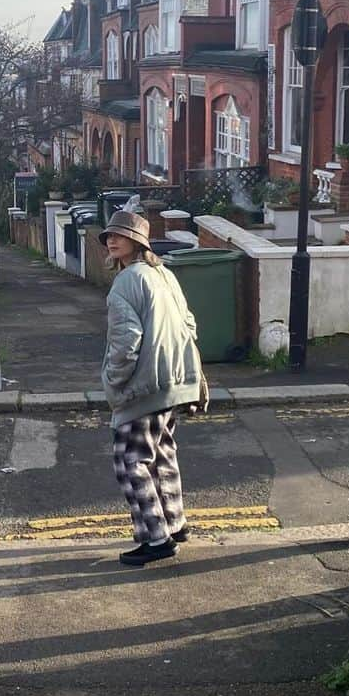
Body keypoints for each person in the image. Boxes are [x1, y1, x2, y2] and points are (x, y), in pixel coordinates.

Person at [100, 210, 207, 567]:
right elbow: (189, 323)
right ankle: (175, 524)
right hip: (175, 381)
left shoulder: (126, 282)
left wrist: (114, 381)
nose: (112, 241)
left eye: (120, 235)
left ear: (138, 242)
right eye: (109, 236)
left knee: (130, 461)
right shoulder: (165, 274)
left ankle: (157, 539)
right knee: (162, 454)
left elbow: (126, 340)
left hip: (144, 386)